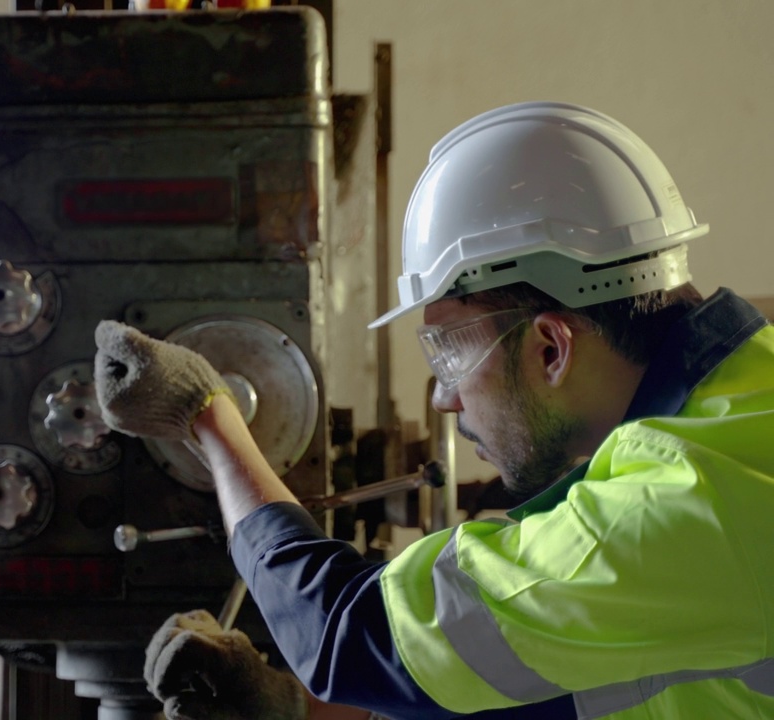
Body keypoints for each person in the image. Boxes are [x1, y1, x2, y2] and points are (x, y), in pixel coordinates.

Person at [92, 102, 774, 719]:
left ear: (549, 348)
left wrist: (207, 416)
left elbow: (348, 634)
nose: (445, 398)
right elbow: (586, 678)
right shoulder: (740, 408)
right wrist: (308, 715)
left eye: (450, 352)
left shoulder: (685, 501)